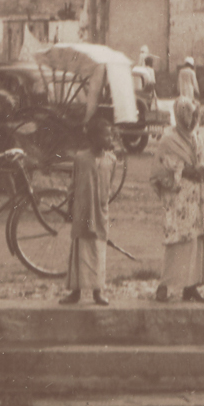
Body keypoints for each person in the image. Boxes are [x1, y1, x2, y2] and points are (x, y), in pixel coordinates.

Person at [151, 98, 204, 302]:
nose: (194, 120)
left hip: (195, 198)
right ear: (181, 115)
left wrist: (200, 170)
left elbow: (202, 160)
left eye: (196, 116)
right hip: (178, 197)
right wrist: (184, 171)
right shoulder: (168, 140)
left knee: (193, 241)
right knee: (175, 241)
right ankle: (164, 285)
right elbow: (160, 170)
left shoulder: (197, 138)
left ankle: (190, 285)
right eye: (191, 115)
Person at [60, 116, 115, 306]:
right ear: (93, 138)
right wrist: (70, 207)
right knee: (79, 252)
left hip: (100, 214)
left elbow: (109, 188)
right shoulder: (81, 159)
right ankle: (75, 291)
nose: (110, 139)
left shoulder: (111, 161)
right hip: (83, 213)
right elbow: (73, 186)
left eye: (111, 136)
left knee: (98, 252)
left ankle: (97, 291)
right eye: (106, 136)